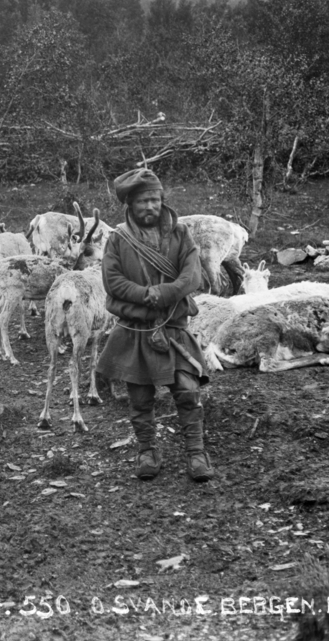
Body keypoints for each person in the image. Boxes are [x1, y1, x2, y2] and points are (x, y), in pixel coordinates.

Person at [96, 168, 214, 482]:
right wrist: (145, 295)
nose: (150, 206)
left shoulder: (181, 234)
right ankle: (147, 450)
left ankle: (196, 452)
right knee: (139, 398)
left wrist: (162, 294)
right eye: (143, 201)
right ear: (130, 204)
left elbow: (192, 276)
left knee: (188, 392)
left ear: (162, 200)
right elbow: (113, 282)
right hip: (135, 330)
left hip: (174, 327)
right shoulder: (118, 238)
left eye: (155, 199)